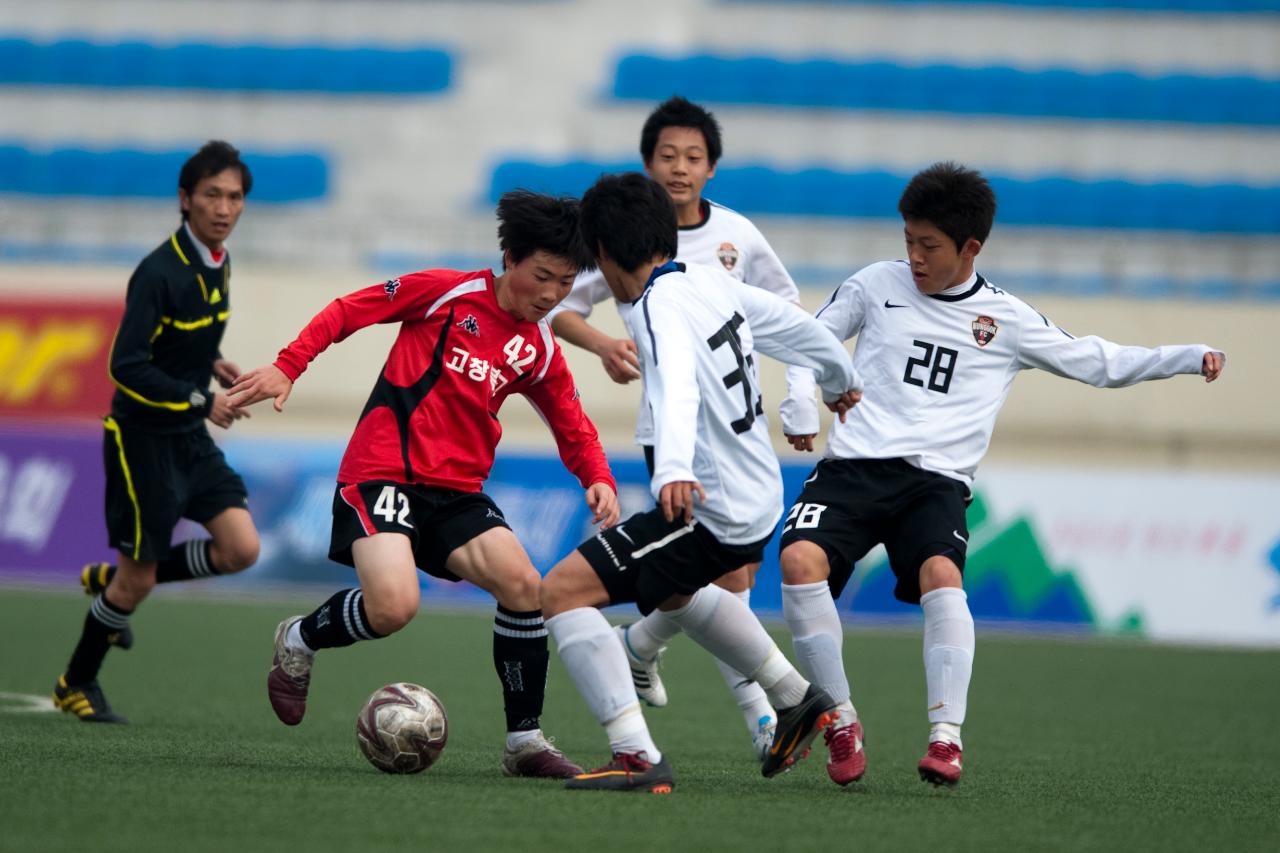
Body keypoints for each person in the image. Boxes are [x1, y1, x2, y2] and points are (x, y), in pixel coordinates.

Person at [778, 161, 1227, 788]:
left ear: (971, 248)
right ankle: (839, 720)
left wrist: (1182, 357)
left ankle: (945, 738)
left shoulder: (1005, 319)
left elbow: (1096, 361)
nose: (914, 257)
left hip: (934, 482)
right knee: (798, 561)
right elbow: (810, 339)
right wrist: (801, 397)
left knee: (942, 575)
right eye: (907, 240)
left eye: (928, 246)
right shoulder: (874, 284)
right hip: (852, 468)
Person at [227, 191, 620, 779]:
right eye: (542, 276)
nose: (551, 295)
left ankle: (524, 743)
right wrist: (290, 364)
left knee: (523, 586)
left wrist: (599, 477)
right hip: (382, 471)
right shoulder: (446, 291)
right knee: (394, 608)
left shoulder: (538, 348)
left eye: (565, 284)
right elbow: (347, 311)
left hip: (457, 492)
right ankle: (300, 637)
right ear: (509, 257)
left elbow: (572, 422)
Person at [541, 172, 863, 792]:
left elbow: (676, 387)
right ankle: (795, 696)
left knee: (560, 593)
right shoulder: (709, 280)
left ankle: (635, 756)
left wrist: (674, 470)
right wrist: (835, 377)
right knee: (670, 587)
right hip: (760, 494)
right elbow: (801, 329)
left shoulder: (655, 308)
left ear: (603, 255)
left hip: (709, 503)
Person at [550, 95, 801, 757]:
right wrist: (605, 344)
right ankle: (770, 717)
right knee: (720, 579)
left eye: (693, 156)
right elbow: (563, 308)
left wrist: (806, 393)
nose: (680, 167)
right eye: (668, 156)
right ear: (648, 163)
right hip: (675, 442)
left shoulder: (735, 240)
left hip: (730, 437)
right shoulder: (627, 235)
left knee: (714, 580)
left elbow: (788, 310)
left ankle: (643, 650)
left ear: (712, 167)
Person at [53, 140, 262, 723]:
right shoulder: (158, 271)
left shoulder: (219, 260)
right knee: (136, 582)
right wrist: (203, 399)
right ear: (185, 199)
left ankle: (117, 581)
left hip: (188, 437)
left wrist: (211, 359)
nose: (223, 208)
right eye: (212, 195)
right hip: (142, 439)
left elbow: (180, 339)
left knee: (241, 548)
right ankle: (75, 682)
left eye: (235, 197)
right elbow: (127, 365)